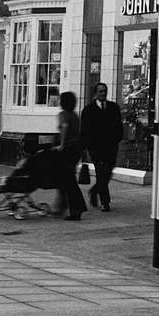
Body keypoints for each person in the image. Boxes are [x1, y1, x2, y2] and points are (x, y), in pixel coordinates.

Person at [80, 82, 123, 212]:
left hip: (111, 147)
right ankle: (105, 202)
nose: (103, 94)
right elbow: (84, 130)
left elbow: (119, 126)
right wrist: (87, 147)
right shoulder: (88, 110)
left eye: (104, 91)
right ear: (95, 93)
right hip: (96, 148)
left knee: (107, 173)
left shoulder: (114, 107)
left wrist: (117, 140)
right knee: (100, 173)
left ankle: (94, 191)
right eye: (100, 91)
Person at [55, 91, 86, 221]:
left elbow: (64, 127)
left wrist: (61, 145)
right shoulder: (75, 115)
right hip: (76, 149)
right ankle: (64, 205)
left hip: (67, 149)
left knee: (68, 181)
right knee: (68, 178)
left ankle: (76, 208)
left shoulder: (63, 114)